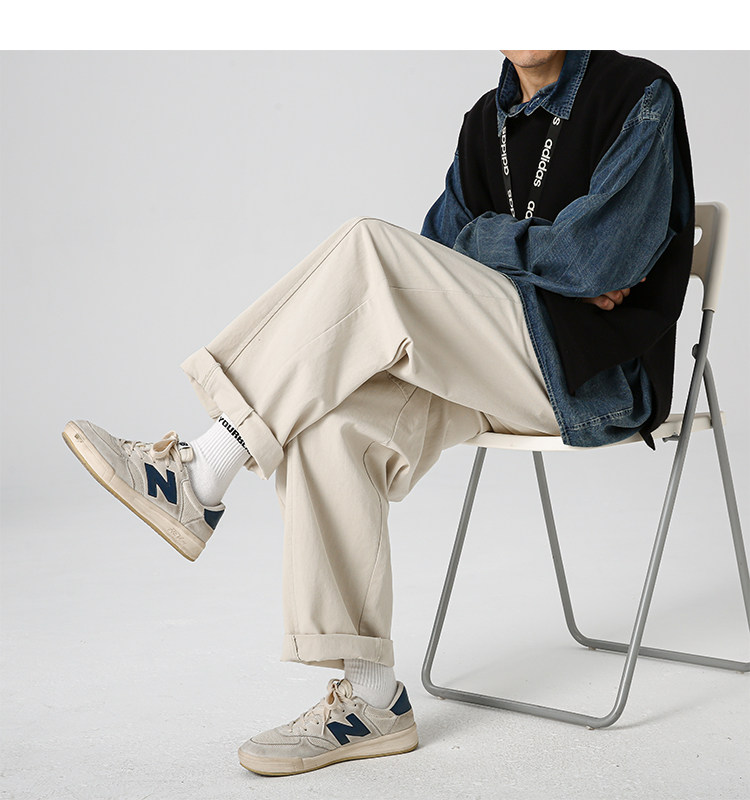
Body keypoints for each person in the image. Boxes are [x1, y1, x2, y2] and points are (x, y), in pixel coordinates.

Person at [62, 50, 694, 777]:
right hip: (492, 363)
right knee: (327, 422)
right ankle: (370, 700)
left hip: (590, 377)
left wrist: (491, 240)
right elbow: (436, 256)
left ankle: (203, 470)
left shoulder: (638, 94)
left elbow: (594, 259)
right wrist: (537, 258)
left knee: (369, 246)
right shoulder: (483, 122)